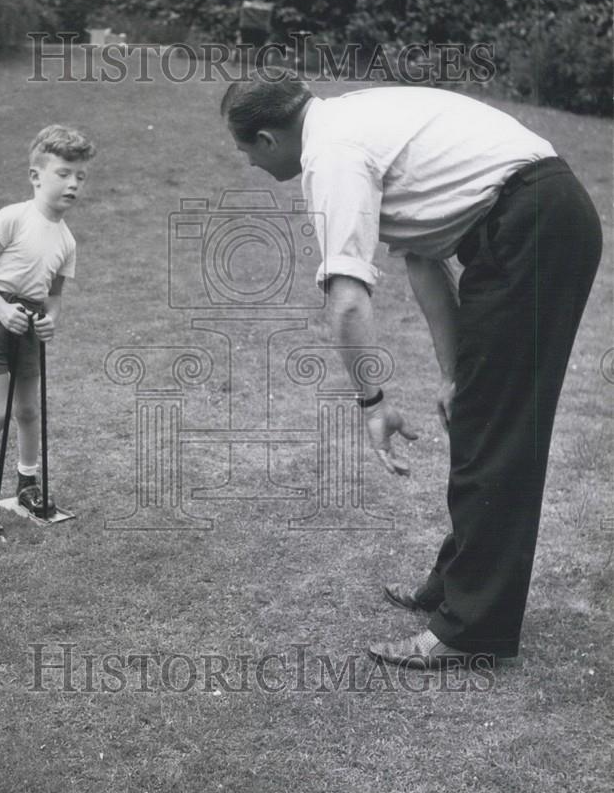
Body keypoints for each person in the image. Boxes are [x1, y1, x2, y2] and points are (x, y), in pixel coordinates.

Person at [220, 75, 602, 669]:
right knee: (479, 413)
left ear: (268, 138)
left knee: (500, 431)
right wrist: (453, 375)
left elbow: (347, 303)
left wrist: (373, 404)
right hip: (531, 218)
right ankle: (454, 585)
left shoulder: (332, 152)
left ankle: (470, 629)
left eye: (245, 150)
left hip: (534, 225)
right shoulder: (346, 121)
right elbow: (425, 260)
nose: (249, 162)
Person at [0, 124, 96, 527]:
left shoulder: (67, 241)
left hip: (29, 322)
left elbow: (54, 296)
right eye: (63, 173)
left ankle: (28, 485)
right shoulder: (13, 217)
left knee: (28, 410)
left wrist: (50, 320)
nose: (73, 184)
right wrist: (0, 309)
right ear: (36, 176)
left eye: (81, 176)